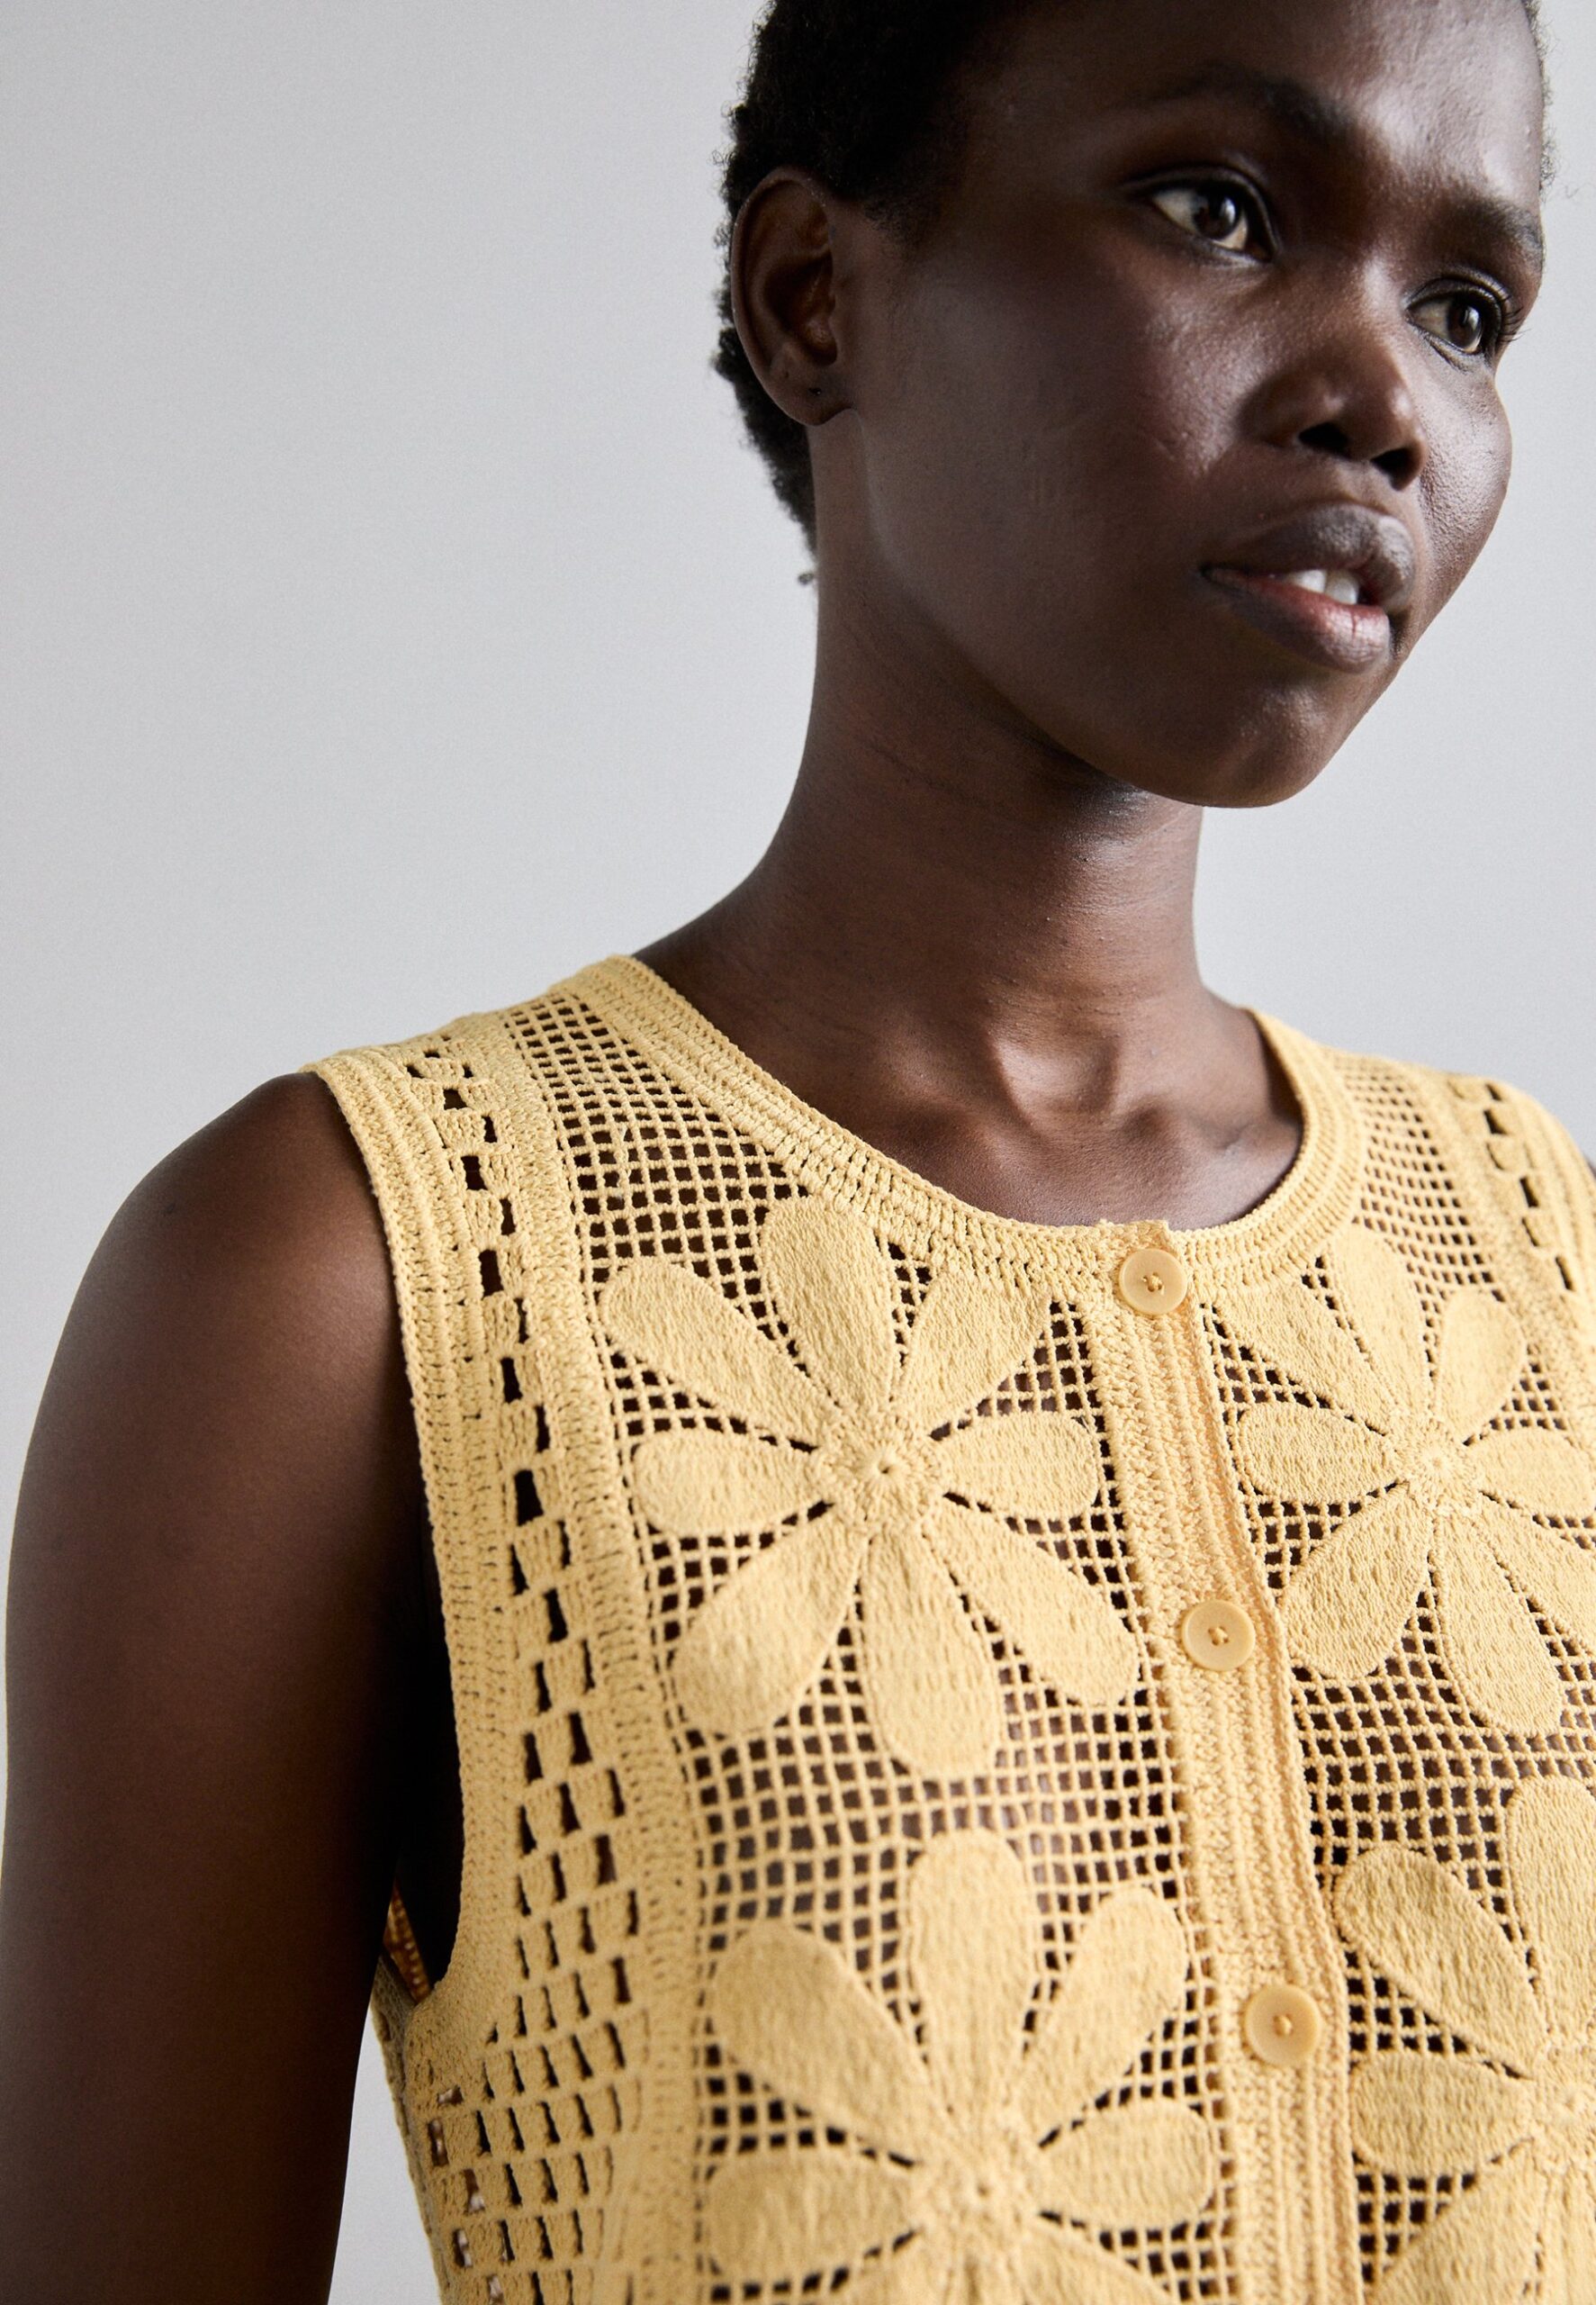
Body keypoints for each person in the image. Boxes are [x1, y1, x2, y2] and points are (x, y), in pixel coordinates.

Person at [2, 1, 1584, 2299]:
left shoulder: (1550, 1271)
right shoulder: (360, 1274)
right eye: (1219, 210)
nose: (1383, 396)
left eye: (1465, 308)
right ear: (812, 295)